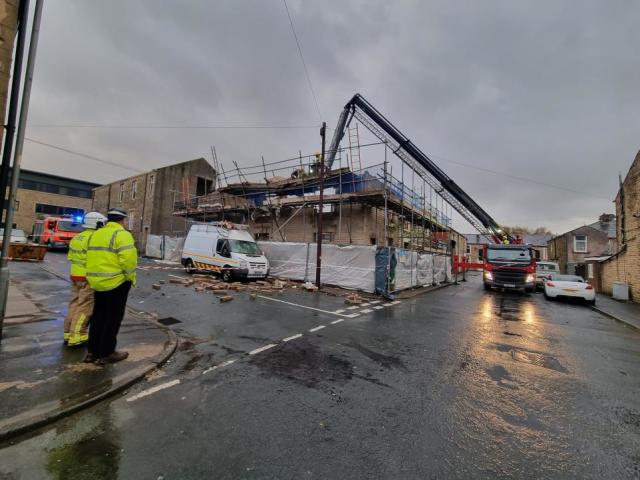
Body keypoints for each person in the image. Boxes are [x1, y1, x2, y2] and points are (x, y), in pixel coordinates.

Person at [85, 208, 137, 364]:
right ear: (122, 220)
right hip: (116, 282)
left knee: (98, 316)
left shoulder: (96, 234)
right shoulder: (122, 234)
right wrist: (129, 278)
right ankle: (107, 353)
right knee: (113, 318)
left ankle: (92, 352)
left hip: (97, 282)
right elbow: (128, 260)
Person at [63, 212, 107, 347]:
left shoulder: (77, 237)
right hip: (88, 277)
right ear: (97, 223)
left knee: (74, 304)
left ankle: (67, 333)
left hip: (75, 275)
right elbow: (98, 259)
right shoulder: (94, 238)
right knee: (85, 307)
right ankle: (77, 336)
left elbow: (71, 257)